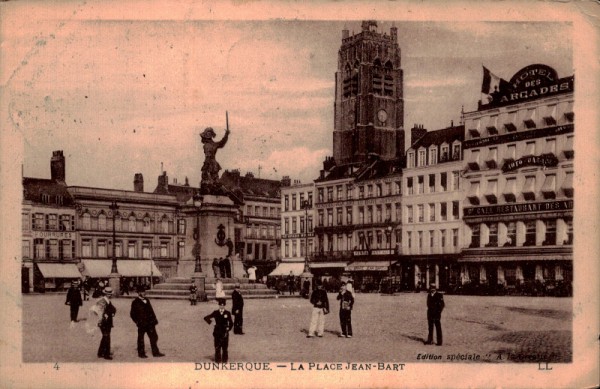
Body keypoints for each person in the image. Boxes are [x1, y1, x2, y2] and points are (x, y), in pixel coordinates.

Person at [130, 286, 165, 358]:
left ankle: (155, 352)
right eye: (142, 292)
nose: (144, 293)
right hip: (141, 324)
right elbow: (132, 314)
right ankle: (141, 353)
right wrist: (137, 322)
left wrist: (154, 320)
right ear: (139, 293)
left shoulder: (147, 300)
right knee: (141, 338)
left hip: (150, 323)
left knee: (154, 337)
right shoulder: (135, 302)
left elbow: (151, 311)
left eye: (144, 292)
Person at [204, 298, 234, 363]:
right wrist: (212, 322)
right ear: (219, 305)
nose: (222, 306)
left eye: (223, 305)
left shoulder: (227, 313)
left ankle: (225, 361)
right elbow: (206, 318)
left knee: (225, 348)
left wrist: (228, 328)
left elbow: (231, 323)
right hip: (217, 332)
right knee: (217, 347)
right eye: (220, 305)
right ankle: (217, 360)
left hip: (225, 333)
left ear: (224, 306)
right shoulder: (216, 312)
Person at [96, 287, 116, 360]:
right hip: (103, 322)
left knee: (105, 337)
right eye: (108, 294)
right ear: (105, 293)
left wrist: (112, 313)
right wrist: (105, 315)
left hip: (108, 322)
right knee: (107, 337)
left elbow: (113, 309)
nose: (109, 295)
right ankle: (106, 354)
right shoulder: (102, 301)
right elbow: (99, 312)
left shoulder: (108, 301)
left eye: (110, 294)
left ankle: (100, 352)